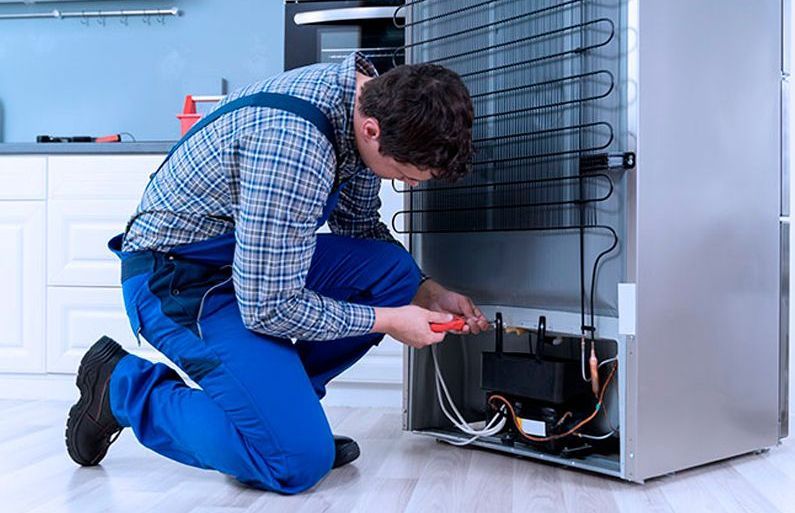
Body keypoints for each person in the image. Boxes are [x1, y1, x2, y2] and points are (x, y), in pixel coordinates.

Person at [64, 52, 489, 494]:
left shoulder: (367, 101)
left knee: (393, 276)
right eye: (405, 175)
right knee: (296, 462)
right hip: (179, 280)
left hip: (249, 269)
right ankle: (122, 389)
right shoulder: (295, 148)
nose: (411, 185)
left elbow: (360, 229)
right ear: (371, 132)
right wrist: (391, 320)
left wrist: (424, 291)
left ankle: (278, 414)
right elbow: (268, 308)